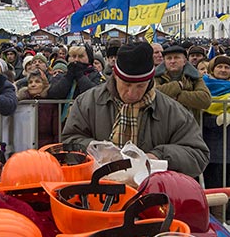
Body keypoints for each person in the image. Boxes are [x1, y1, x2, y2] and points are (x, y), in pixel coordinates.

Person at [62, 42, 209, 177]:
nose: (132, 93)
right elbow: (69, 141)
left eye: (140, 86)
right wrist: (95, 149)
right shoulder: (87, 102)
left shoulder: (173, 111)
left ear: (150, 81)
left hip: (152, 195)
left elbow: (198, 155)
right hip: (97, 191)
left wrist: (158, 156)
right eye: (126, 84)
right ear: (115, 76)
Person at [201, 56, 230, 199]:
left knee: (226, 181)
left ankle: (223, 214)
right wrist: (215, 121)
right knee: (211, 181)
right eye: (219, 67)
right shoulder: (203, 86)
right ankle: (214, 215)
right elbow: (197, 114)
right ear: (212, 69)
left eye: (227, 67)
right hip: (209, 140)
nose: (223, 70)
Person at [153, 45, 211, 112]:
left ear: (184, 61)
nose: (172, 61)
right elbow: (153, 94)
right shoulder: (156, 76)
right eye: (169, 58)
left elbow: (205, 100)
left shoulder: (194, 76)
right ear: (164, 61)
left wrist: (176, 96)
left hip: (189, 120)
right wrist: (178, 85)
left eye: (176, 58)